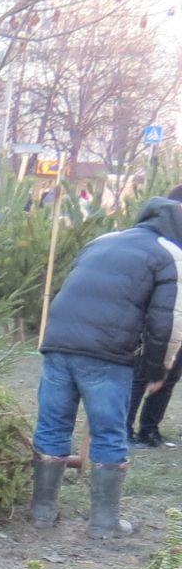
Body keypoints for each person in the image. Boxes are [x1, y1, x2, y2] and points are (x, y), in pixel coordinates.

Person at [32, 187, 182, 538]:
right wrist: (157, 370)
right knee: (110, 433)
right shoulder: (169, 254)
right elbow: (168, 323)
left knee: (52, 426)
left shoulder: (102, 240)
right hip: (106, 354)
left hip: (58, 344)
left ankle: (41, 512)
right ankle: (104, 523)